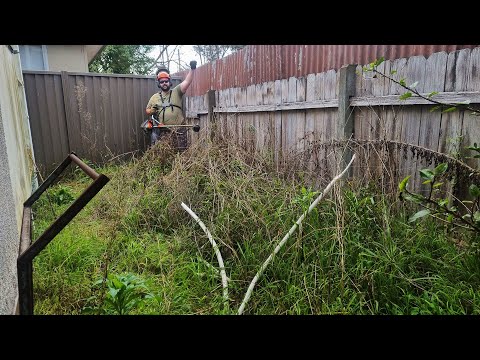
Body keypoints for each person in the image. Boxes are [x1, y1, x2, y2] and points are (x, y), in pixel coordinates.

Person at [145, 60, 197, 150]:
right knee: (166, 154)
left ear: (169, 82)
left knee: (182, 153)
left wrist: (192, 69)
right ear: (159, 84)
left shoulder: (177, 91)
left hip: (179, 130)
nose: (164, 83)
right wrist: (152, 110)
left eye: (166, 81)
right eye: (161, 82)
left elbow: (187, 81)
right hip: (163, 131)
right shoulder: (154, 97)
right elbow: (147, 110)